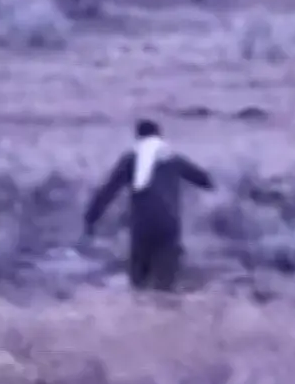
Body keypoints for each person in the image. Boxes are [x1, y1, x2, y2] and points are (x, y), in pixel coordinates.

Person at [82, 119, 214, 291]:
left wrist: (91, 217)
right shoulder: (173, 158)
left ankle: (140, 311)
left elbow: (108, 190)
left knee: (139, 281)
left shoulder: (131, 159)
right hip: (169, 223)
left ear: (138, 137)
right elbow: (205, 180)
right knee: (166, 282)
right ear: (160, 136)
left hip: (142, 225)